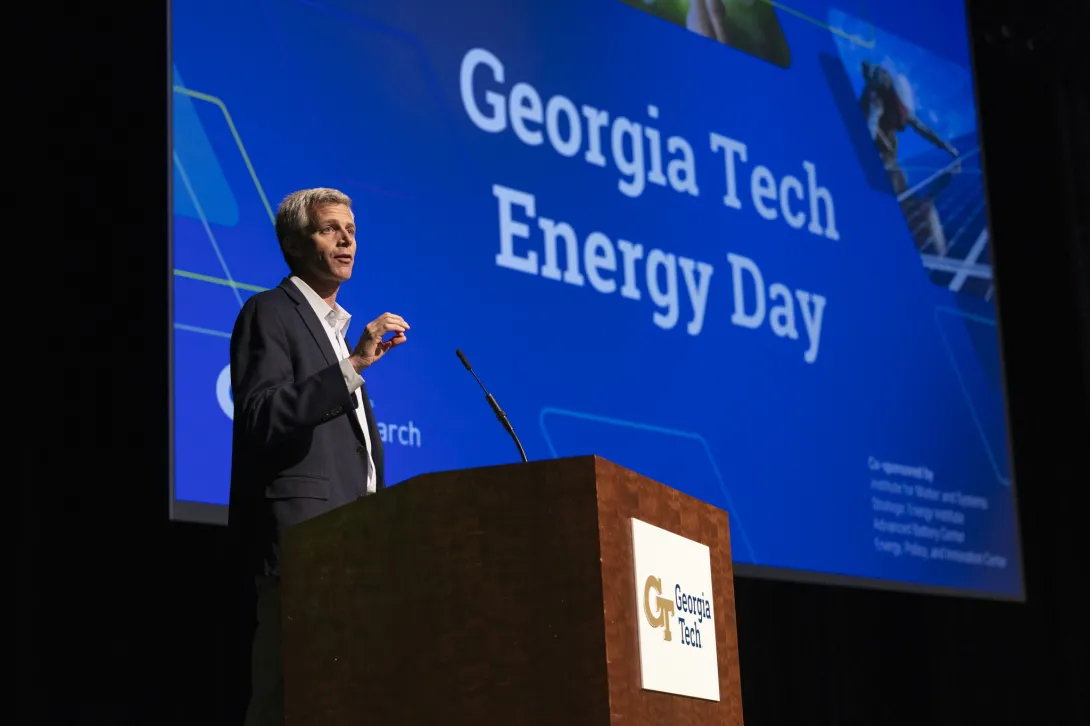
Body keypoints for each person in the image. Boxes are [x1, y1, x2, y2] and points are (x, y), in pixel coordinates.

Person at [227, 187, 409, 725]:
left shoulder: (336, 334)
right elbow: (261, 415)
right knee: (290, 706)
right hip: (305, 549)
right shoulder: (270, 313)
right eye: (331, 228)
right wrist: (352, 364)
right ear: (294, 242)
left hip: (354, 551)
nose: (347, 239)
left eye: (351, 229)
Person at [860, 60, 960, 255]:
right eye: (902, 115)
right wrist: (874, 116)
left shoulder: (901, 115)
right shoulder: (874, 108)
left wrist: (947, 147)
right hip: (875, 174)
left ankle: (943, 258)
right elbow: (864, 149)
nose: (904, 122)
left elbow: (923, 129)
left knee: (927, 209)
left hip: (891, 173)